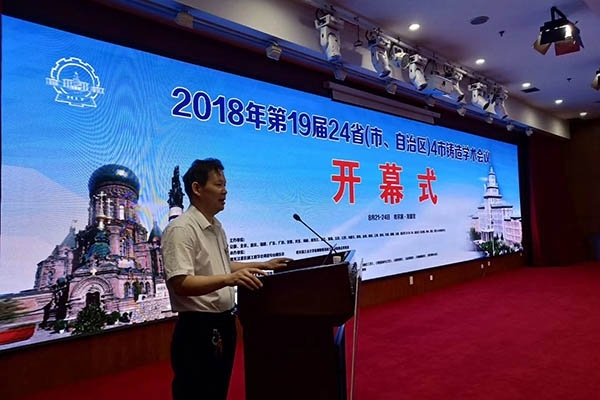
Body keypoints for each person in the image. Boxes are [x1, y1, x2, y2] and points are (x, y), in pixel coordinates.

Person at [161, 158, 291, 400]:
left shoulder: (216, 227)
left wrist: (262, 265)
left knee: (217, 391)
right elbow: (181, 283)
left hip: (224, 323)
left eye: (225, 185)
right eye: (218, 185)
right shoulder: (181, 229)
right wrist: (229, 279)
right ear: (197, 188)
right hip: (197, 329)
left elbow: (220, 265)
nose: (225, 191)